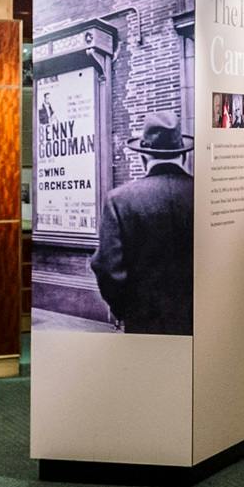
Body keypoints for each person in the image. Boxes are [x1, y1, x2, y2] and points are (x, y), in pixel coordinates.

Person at [91, 116, 194, 335]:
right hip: (201, 316)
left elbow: (107, 268)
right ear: (184, 155)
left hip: (144, 318)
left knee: (149, 368)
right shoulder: (207, 193)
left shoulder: (119, 200)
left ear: (143, 158)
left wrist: (124, 309)